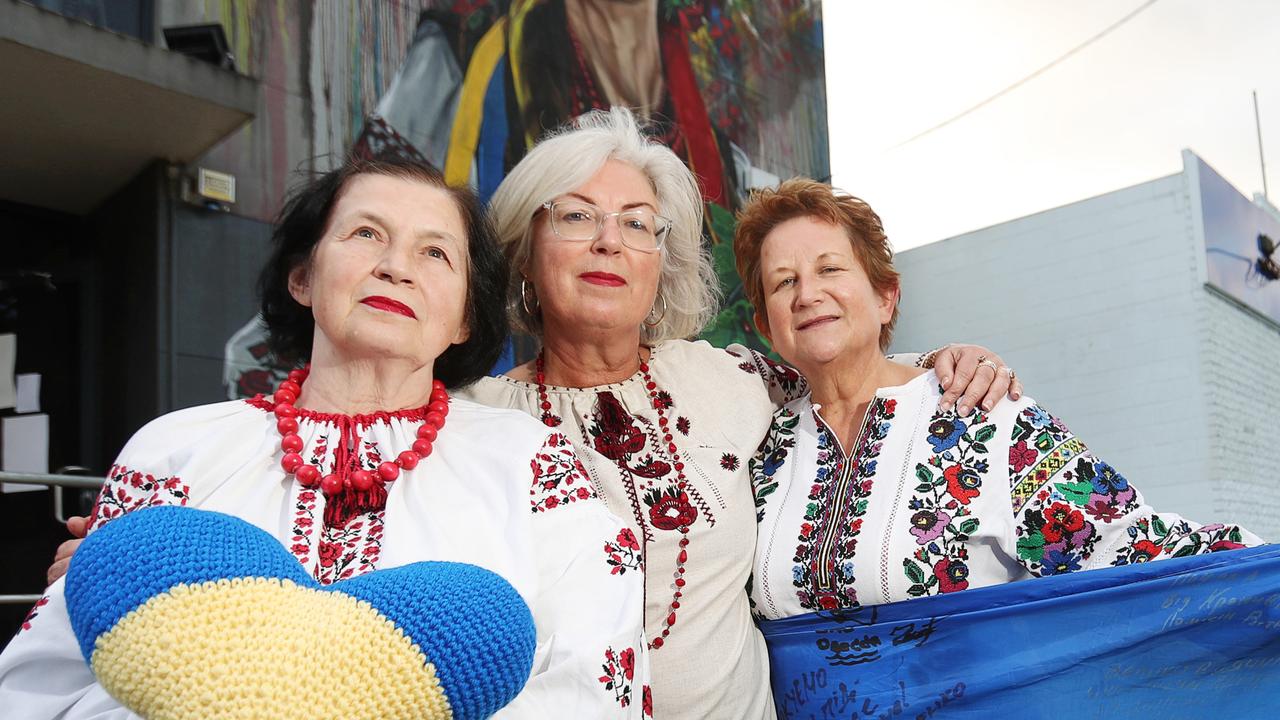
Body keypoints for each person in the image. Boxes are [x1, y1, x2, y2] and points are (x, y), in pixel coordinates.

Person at [3, 154, 649, 718]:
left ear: (463, 318)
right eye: (366, 233)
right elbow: (44, 685)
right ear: (303, 277)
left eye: (435, 252)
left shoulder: (530, 464)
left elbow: (591, 685)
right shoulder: (175, 451)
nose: (396, 267)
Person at [457, 107, 1019, 719]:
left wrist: (944, 363)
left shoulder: (728, 379)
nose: (608, 241)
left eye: (637, 224)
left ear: (660, 268)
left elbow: (843, 373)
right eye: (575, 216)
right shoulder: (472, 426)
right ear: (525, 257)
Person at [733, 178, 1264, 618]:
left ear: (886, 296)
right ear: (764, 325)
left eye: (830, 268)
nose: (807, 294)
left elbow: (1132, 548)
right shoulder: (760, 448)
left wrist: (1265, 572)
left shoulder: (985, 413)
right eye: (784, 283)